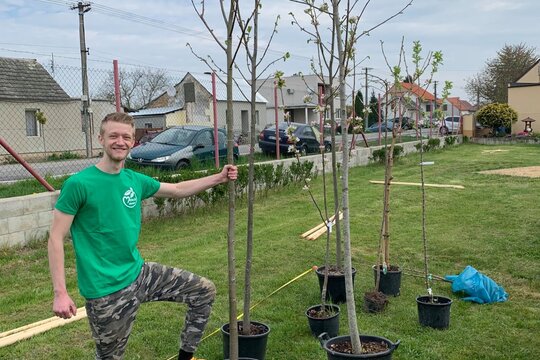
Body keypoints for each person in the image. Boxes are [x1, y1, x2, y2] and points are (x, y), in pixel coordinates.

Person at [48, 112, 237, 360]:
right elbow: (55, 238)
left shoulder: (133, 179)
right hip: (106, 292)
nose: (120, 141)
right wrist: (60, 293)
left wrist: (219, 177)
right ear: (100, 139)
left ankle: (185, 357)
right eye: (113, 136)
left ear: (133, 142)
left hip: (140, 274)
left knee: (203, 291)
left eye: (126, 137)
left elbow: (178, 190)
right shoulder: (79, 184)